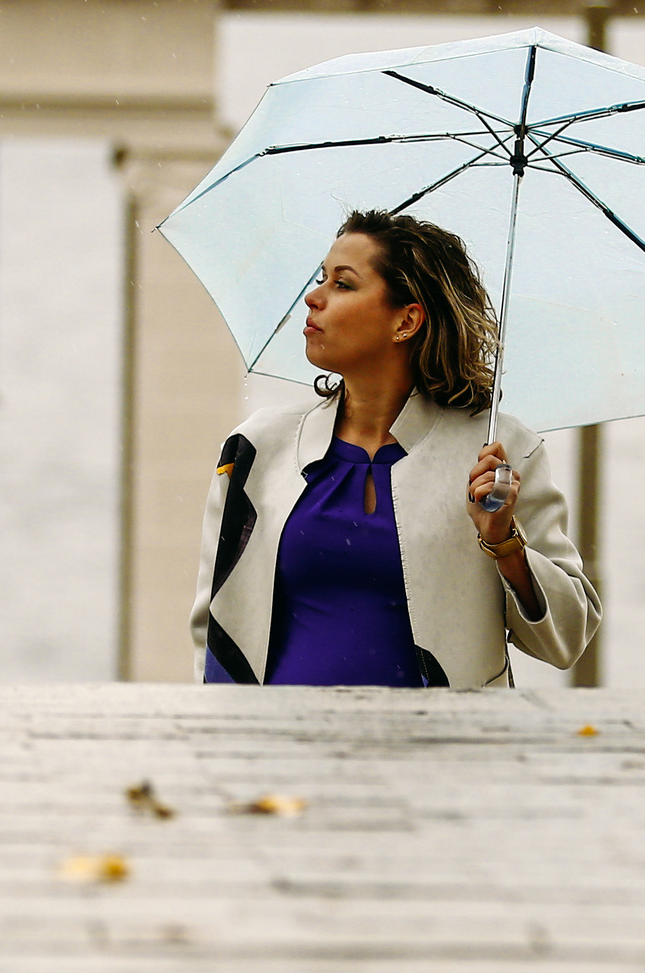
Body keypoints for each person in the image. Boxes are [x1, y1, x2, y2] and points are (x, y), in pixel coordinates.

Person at [189, 209, 599, 687]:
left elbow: (568, 637)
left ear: (406, 321)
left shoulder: (500, 454)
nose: (313, 297)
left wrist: (504, 541)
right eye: (322, 279)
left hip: (440, 756)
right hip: (282, 751)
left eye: (342, 284)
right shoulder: (256, 448)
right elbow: (213, 627)